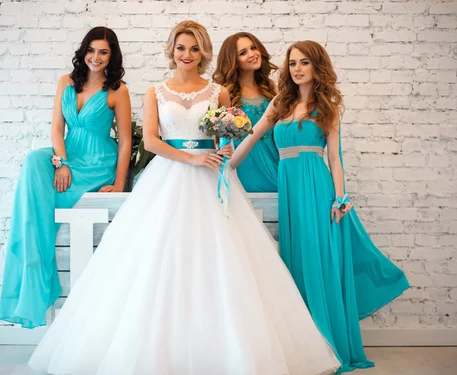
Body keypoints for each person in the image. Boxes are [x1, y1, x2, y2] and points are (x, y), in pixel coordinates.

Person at [28, 22, 340, 375]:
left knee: (223, 257)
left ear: (203, 52)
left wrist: (223, 149)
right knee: (158, 256)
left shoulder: (218, 92)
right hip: (169, 177)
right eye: (181, 48)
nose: (187, 55)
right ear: (172, 51)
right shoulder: (155, 92)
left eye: (194, 49)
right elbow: (150, 142)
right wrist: (192, 158)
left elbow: (228, 141)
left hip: (211, 177)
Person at [232, 40, 410, 373]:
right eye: (292, 63)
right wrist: (225, 168)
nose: (297, 68)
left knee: (320, 262)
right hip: (290, 190)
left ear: (317, 67)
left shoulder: (327, 106)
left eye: (304, 63)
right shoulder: (279, 104)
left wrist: (341, 198)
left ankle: (330, 344)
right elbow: (251, 137)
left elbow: (335, 159)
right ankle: (304, 345)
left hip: (317, 188)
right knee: (296, 262)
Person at [0, 27, 132, 329]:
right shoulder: (65, 82)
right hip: (68, 155)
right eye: (91, 50)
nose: (95, 57)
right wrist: (61, 163)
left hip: (98, 161)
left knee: (45, 194)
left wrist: (120, 183)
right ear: (83, 51)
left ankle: (38, 249)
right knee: (34, 160)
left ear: (112, 56)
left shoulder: (117, 90)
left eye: (103, 52)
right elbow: (56, 129)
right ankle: (34, 257)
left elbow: (125, 140)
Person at [213, 32, 279, 192]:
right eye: (243, 53)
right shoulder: (224, 94)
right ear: (233, 62)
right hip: (244, 167)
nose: (252, 54)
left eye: (253, 48)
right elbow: (218, 140)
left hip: (276, 163)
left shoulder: (272, 91)